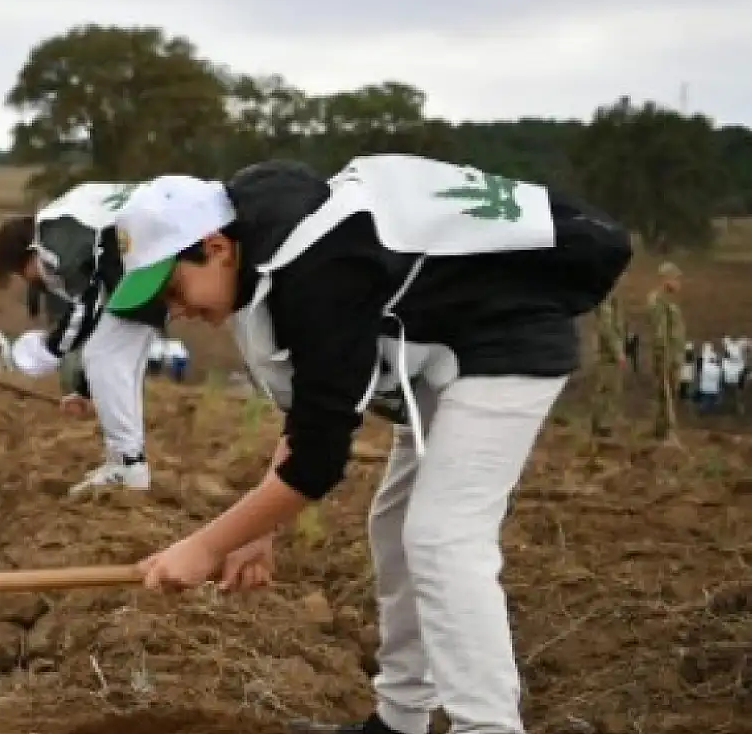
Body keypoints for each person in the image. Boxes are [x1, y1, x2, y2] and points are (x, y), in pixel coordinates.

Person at [109, 157, 631, 734]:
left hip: (507, 341)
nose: (175, 311)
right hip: (447, 351)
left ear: (215, 246)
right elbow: (312, 416)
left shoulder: (318, 269)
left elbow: (318, 463)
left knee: (443, 535)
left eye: (173, 288)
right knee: (396, 525)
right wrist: (255, 528)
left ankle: (488, 726)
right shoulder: (266, 252)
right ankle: (401, 720)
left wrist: (207, 547)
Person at [0, 181, 165, 494]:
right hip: (152, 260)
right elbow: (96, 318)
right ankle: (124, 461)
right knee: (116, 358)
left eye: (21, 273)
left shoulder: (53, 237)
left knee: (105, 355)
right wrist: (87, 391)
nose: (31, 281)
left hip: (149, 261)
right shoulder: (70, 221)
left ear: (29, 253)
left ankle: (128, 465)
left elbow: (88, 303)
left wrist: (51, 348)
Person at [647, 261, 685, 442]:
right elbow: (660, 334)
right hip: (666, 356)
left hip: (673, 356)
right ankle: (668, 432)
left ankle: (660, 430)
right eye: (676, 279)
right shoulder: (658, 301)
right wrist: (664, 358)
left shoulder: (668, 301)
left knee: (668, 392)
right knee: (665, 394)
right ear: (666, 280)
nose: (679, 283)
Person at [589, 294, 626, 436]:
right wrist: (618, 352)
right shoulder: (606, 302)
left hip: (608, 354)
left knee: (607, 389)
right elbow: (607, 330)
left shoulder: (611, 300)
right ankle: (603, 426)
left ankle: (601, 425)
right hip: (607, 355)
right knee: (608, 390)